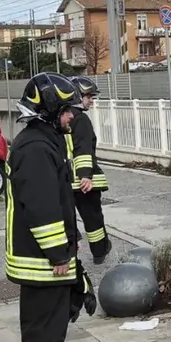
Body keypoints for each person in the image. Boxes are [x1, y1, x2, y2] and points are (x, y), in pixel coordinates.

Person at [6, 72, 84, 342]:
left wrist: (73, 240)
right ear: (50, 110)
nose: (72, 116)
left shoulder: (44, 140)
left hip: (48, 261)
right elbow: (40, 209)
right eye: (67, 110)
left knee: (49, 340)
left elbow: (58, 200)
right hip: (42, 265)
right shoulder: (36, 148)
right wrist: (58, 255)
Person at [67, 76, 111, 264]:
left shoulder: (61, 119)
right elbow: (83, 148)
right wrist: (85, 175)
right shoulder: (81, 120)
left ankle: (69, 254)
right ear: (77, 96)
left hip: (65, 181)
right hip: (84, 182)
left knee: (67, 218)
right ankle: (99, 251)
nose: (91, 100)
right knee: (93, 218)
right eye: (88, 96)